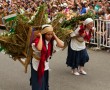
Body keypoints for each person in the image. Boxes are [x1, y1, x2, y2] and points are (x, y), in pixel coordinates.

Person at [30, 24, 64, 90]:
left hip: (45, 63)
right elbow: (39, 48)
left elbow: (62, 45)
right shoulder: (37, 40)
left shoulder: (51, 41)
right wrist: (40, 37)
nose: (50, 36)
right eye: (48, 34)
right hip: (37, 64)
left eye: (51, 34)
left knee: (44, 81)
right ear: (44, 34)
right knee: (38, 82)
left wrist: (54, 35)